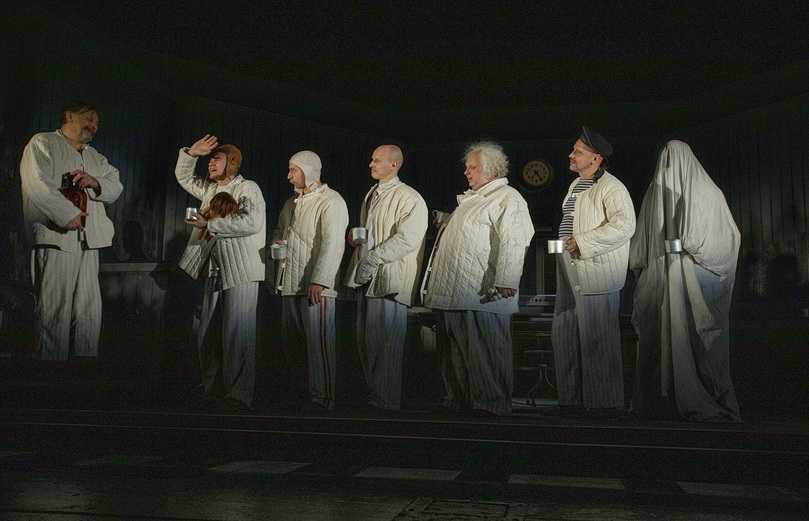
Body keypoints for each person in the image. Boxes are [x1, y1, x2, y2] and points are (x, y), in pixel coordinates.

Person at [629, 140, 742, 422]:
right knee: (680, 338)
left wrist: (651, 263)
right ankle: (674, 397)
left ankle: (665, 398)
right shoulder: (701, 192)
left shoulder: (662, 192)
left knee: (671, 338)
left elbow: (639, 250)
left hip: (676, 278)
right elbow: (724, 241)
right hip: (673, 277)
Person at [422, 141, 534, 416]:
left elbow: (515, 239)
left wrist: (507, 278)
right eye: (467, 167)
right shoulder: (472, 200)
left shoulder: (508, 198)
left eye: (472, 167)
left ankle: (491, 404)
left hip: (481, 293)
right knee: (455, 353)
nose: (466, 172)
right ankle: (458, 400)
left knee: (486, 351)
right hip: (454, 293)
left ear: (491, 170)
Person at [20, 102, 124, 363]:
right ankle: (50, 365)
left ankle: (84, 365)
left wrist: (96, 182)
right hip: (56, 236)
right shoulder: (43, 143)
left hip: (89, 239)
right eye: (89, 117)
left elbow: (115, 186)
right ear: (69, 115)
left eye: (96, 122)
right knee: (54, 305)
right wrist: (67, 213)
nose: (94, 125)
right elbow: (37, 183)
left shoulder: (95, 156)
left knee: (89, 306)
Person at [550, 126, 636, 420]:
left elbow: (625, 225)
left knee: (597, 337)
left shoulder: (612, 187)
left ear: (596, 158)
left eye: (578, 152)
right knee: (567, 332)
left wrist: (583, 242)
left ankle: (603, 404)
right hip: (570, 264)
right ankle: (571, 400)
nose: (571, 155)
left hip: (595, 268)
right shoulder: (576, 185)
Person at [175, 135, 266, 410]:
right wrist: (191, 153)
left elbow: (252, 222)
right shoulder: (211, 189)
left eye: (217, 159)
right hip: (214, 268)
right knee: (207, 333)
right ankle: (211, 388)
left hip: (241, 269)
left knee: (238, 333)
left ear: (232, 164)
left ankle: (239, 395)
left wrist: (211, 224)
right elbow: (184, 177)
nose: (211, 163)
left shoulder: (248, 187)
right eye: (210, 159)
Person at [344, 145, 428, 412]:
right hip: (367, 278)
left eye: (376, 160)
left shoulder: (409, 197)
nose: (371, 164)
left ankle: (386, 402)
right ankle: (375, 397)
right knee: (366, 342)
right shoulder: (371, 194)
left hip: (390, 279)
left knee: (386, 344)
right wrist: (356, 238)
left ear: (394, 165)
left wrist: (371, 260)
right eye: (371, 160)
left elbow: (407, 239)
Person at [272, 151, 348, 412]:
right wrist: (276, 243)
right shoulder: (291, 203)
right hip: (290, 283)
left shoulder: (331, 200)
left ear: (309, 170)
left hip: (316, 287)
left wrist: (320, 280)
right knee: (293, 344)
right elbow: (280, 230)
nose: (289, 176)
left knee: (319, 344)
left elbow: (333, 243)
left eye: (294, 170)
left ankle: (322, 398)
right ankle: (300, 394)